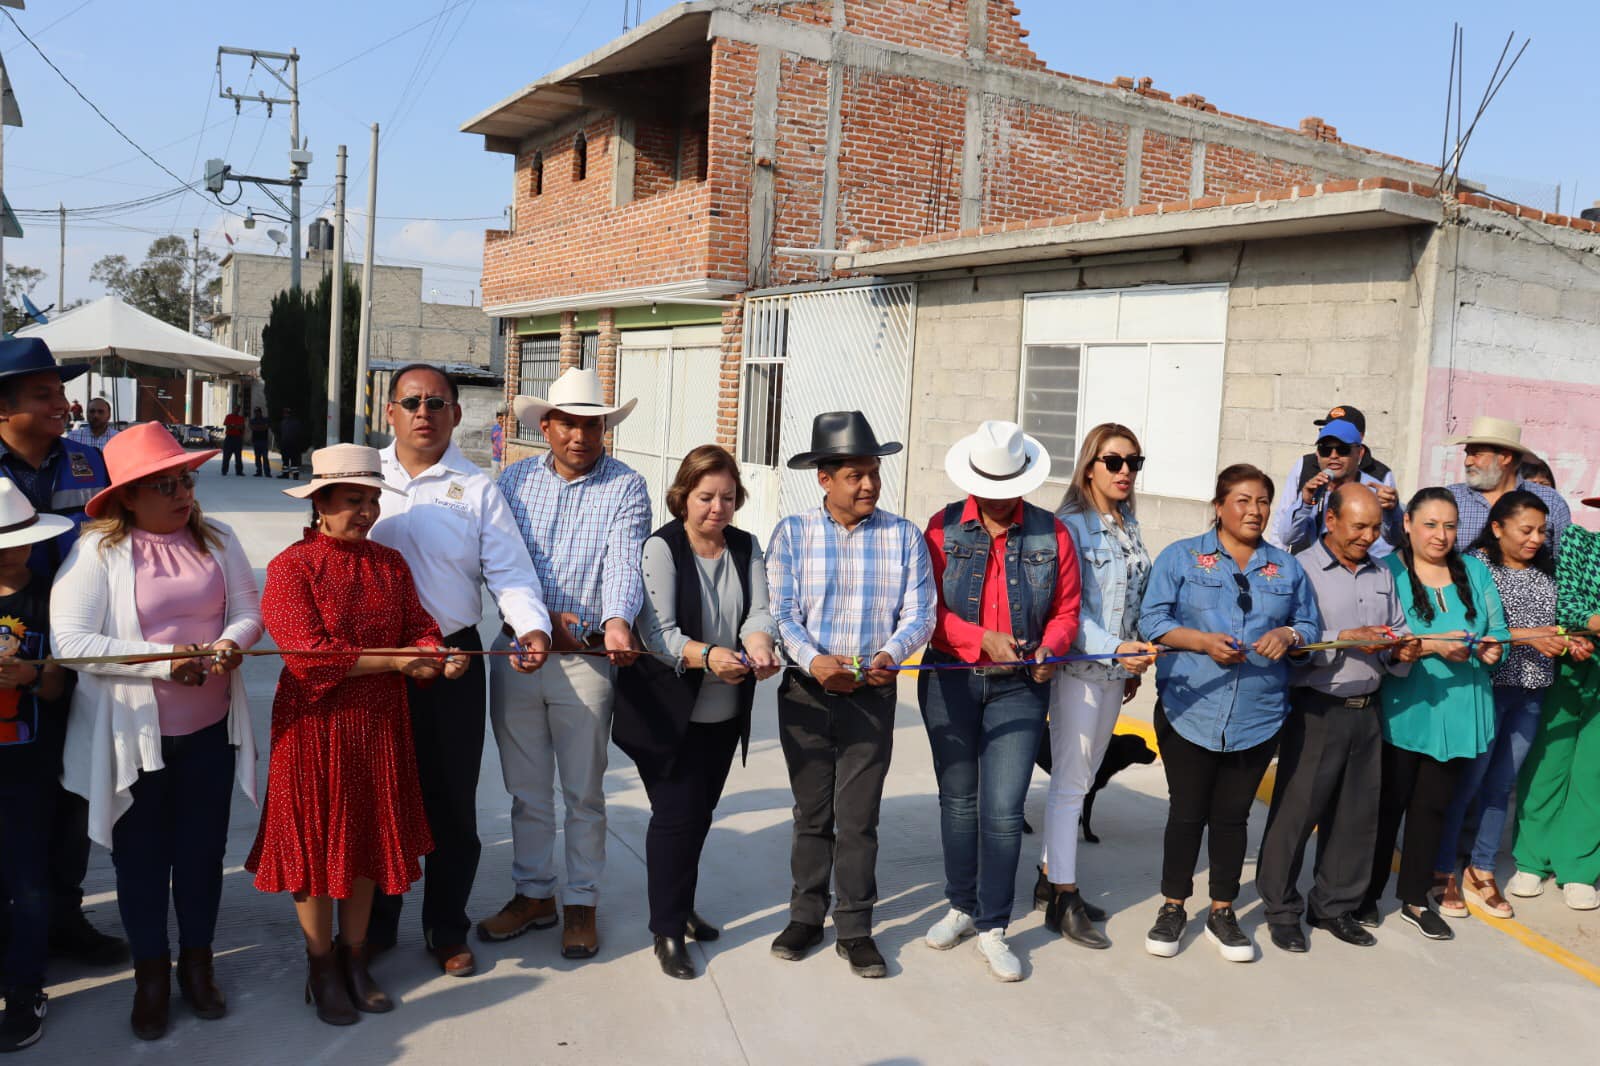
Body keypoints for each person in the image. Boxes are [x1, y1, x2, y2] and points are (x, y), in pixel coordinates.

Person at [51, 422, 263, 1040]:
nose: (183, 492)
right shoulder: (98, 552)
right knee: (140, 864)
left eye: (187, 478)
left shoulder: (218, 539)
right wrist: (167, 661)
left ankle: (197, 966)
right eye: (165, 483)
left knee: (201, 857)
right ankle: (150, 976)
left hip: (209, 734)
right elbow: (72, 643)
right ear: (127, 497)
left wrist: (227, 643)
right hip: (132, 741)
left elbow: (249, 611)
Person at [246, 444, 465, 1027]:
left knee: (366, 841)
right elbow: (308, 659)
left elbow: (421, 627)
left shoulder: (389, 565)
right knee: (316, 848)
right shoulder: (292, 567)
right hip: (314, 729)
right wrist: (398, 662)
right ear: (320, 502)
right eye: (352, 500)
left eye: (371, 500)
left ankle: (355, 956)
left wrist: (435, 656)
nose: (366, 512)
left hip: (378, 728)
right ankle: (321, 964)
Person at [365, 364, 552, 979]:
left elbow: (511, 571)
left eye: (437, 402)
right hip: (373, 668)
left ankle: (445, 927)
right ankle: (372, 928)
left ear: (456, 415)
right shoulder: (361, 478)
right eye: (412, 401)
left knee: (450, 803)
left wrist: (530, 627)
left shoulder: (476, 489)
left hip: (452, 660)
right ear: (389, 411)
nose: (424, 412)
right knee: (381, 800)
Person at [483, 367, 649, 961]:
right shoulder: (512, 483)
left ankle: (581, 900)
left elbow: (624, 562)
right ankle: (534, 894)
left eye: (592, 424)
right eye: (569, 424)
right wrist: (534, 622)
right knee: (527, 792)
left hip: (585, 658)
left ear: (605, 428)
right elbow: (498, 562)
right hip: (515, 651)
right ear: (545, 426)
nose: (580, 435)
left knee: (583, 792)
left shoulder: (627, 485)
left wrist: (615, 621)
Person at [766, 410, 935, 979]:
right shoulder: (791, 534)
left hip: (871, 695)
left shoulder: (903, 535)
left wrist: (891, 655)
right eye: (854, 475)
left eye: (873, 473)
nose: (867, 485)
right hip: (806, 695)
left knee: (858, 818)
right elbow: (781, 613)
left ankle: (856, 927)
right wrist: (815, 662)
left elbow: (921, 612)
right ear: (824, 479)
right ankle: (806, 915)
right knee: (811, 813)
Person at [916, 421, 1080, 981]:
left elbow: (1066, 611)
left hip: (1021, 686)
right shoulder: (941, 528)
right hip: (950, 679)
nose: (999, 497)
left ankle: (993, 925)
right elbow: (924, 611)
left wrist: (1050, 648)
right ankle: (960, 905)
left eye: (1010, 486)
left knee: (1004, 810)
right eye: (989, 485)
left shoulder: (1052, 534)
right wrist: (976, 638)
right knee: (958, 801)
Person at [1138, 463, 1320, 963]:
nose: (1254, 510)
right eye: (1242, 500)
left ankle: (1222, 909)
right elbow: (1152, 620)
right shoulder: (1181, 558)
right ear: (1219, 506)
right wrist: (1200, 642)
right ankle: (1173, 905)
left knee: (1232, 816)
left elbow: (1309, 622)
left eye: (1262, 501)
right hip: (1189, 708)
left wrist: (1289, 635)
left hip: (1259, 716)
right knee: (1187, 812)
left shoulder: (1285, 568)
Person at [613, 445, 782, 980]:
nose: (717, 508)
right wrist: (709, 656)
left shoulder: (746, 546)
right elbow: (657, 633)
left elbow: (759, 610)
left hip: (723, 711)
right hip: (667, 712)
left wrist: (757, 644)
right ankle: (665, 931)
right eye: (706, 496)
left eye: (728, 497)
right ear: (682, 496)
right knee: (675, 818)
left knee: (699, 817)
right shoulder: (661, 548)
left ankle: (680, 909)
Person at [0, 337, 123, 969]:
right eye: (44, 395)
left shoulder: (87, 464)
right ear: (3, 408)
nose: (63, 404)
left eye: (61, 392)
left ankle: (62, 918)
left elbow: (120, 546)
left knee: (71, 790)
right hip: (6, 659)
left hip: (78, 657)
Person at [1257, 484, 1421, 954]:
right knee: (1296, 814)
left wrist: (1401, 647)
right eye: (1358, 526)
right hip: (1317, 709)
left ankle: (1332, 907)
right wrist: (1346, 638)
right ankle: (1281, 909)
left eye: (1374, 527)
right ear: (1330, 521)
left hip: (1366, 709)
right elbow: (1289, 640)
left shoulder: (1380, 573)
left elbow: (1398, 627)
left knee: (1355, 818)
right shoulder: (1298, 569)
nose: (1368, 536)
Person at [1360, 488, 1508, 941]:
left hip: (1462, 711)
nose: (1441, 535)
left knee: (1433, 809)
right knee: (1388, 807)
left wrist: (1490, 649)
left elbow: (1497, 631)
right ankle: (1366, 892)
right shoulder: (1388, 572)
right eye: (1430, 524)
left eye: (1449, 526)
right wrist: (1433, 646)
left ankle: (1414, 899)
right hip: (1407, 710)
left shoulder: (1475, 570)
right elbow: (1383, 638)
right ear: (1407, 524)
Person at [1039, 422, 1158, 950]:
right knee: (1070, 783)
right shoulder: (1070, 526)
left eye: (1134, 461)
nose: (1126, 471)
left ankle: (1048, 878)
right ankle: (1064, 895)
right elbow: (1069, 610)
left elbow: (1132, 599)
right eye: (1115, 461)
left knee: (1080, 780)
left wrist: (1129, 658)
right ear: (1090, 465)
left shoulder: (1126, 524)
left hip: (1114, 673)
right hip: (1078, 672)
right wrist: (1114, 647)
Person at [1433, 491, 1578, 920]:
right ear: (1497, 528)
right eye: (1526, 530)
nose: (1536, 539)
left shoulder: (1547, 571)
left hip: (1531, 693)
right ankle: (1443, 869)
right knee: (1468, 783)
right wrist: (1533, 634)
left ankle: (1481, 869)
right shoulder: (1475, 568)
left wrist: (1569, 641)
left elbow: (1555, 625)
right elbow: (1475, 630)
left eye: (1541, 531)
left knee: (1501, 786)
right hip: (1486, 691)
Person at [0, 484, 74, 1053]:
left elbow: (60, 684)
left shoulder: (51, 597)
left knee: (27, 880)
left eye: (22, 543)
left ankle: (26, 988)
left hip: (28, 765)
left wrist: (30, 676)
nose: (12, 554)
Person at [1509, 491, 1600, 911]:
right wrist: (1589, 624)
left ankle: (1579, 867)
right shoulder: (1581, 543)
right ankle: (1531, 857)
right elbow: (1565, 600)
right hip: (1569, 658)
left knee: (1594, 772)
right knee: (1548, 760)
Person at [1268, 418, 1402, 557]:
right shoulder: (1315, 490)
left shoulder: (1374, 490)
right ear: (1318, 454)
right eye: (1325, 450)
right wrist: (1306, 503)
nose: (1333, 456)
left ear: (1359, 453)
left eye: (1342, 450)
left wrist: (1391, 512)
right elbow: (1288, 538)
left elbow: (1393, 541)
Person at [1445, 415, 1569, 560]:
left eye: (1476, 454)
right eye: (1467, 454)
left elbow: (1566, 564)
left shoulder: (1551, 501)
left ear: (1505, 458)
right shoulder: (1449, 498)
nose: (1467, 461)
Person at [276, 408, 308, 481]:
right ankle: (293, 475)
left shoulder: (284, 422)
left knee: (288, 461)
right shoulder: (295, 422)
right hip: (292, 444)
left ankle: (287, 475)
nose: (285, 414)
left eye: (286, 413)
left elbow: (281, 434)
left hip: (289, 444)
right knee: (291, 461)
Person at [219, 406, 246, 476]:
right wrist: (236, 426)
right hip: (229, 438)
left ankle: (239, 471)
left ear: (239, 410)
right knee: (226, 455)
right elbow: (227, 425)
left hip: (238, 438)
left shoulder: (241, 418)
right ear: (233, 409)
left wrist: (233, 426)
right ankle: (224, 470)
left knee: (238, 456)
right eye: (235, 409)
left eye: (238, 409)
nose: (236, 410)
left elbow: (242, 427)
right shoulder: (228, 416)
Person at [250, 406, 273, 477]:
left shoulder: (265, 419)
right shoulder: (252, 420)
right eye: (255, 412)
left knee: (265, 457)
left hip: (264, 441)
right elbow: (252, 427)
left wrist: (257, 427)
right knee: (257, 457)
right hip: (256, 441)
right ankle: (259, 471)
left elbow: (266, 427)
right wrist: (261, 427)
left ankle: (267, 472)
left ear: (260, 412)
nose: (257, 414)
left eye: (258, 412)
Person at [490, 404, 507, 476]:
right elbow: (492, 441)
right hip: (496, 459)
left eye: (503, 419)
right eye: (499, 418)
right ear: (497, 419)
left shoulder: (506, 430)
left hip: (504, 460)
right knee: (494, 480)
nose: (501, 421)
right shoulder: (495, 428)